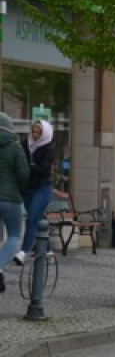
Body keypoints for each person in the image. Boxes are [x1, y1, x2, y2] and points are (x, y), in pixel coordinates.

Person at [15, 120, 55, 265]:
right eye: (33, 131)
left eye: (38, 132)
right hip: (29, 187)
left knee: (32, 219)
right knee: (38, 219)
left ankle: (23, 252)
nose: (35, 135)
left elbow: (44, 170)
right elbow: (20, 161)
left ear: (44, 133)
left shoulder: (48, 148)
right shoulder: (25, 144)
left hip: (43, 187)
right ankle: (48, 250)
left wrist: (28, 167)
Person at [0, 112, 29, 294]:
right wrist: (20, 190)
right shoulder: (15, 146)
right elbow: (24, 174)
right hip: (10, 199)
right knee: (14, 236)